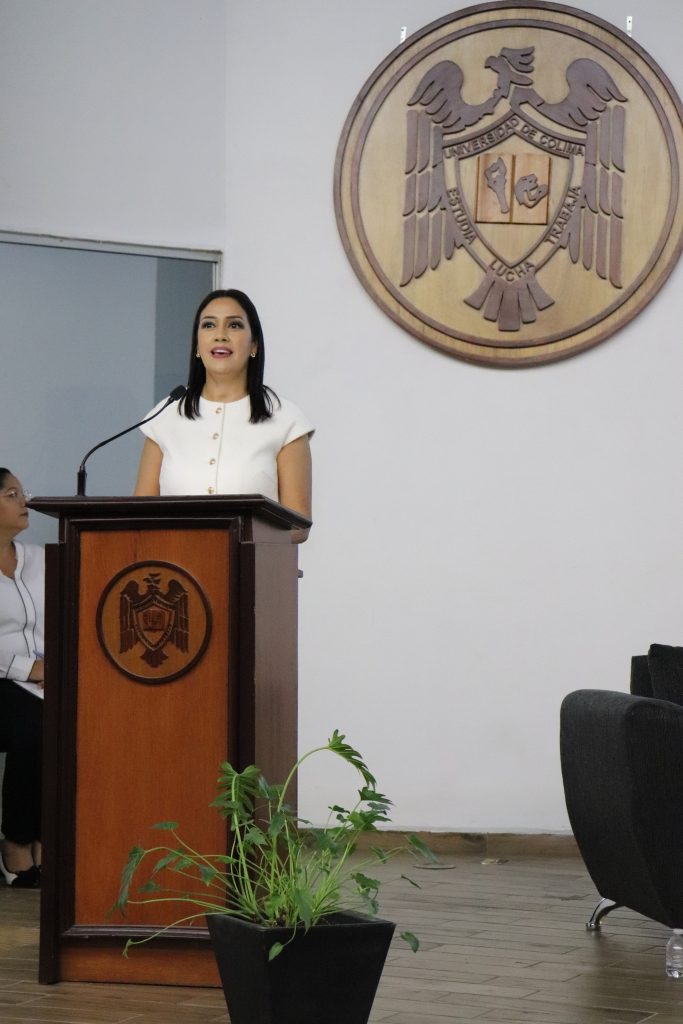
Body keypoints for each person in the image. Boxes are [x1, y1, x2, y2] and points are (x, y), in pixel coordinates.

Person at [134, 289, 313, 539]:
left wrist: (236, 542)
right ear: (197, 345)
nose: (220, 335)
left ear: (254, 345)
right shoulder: (164, 417)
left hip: (252, 563)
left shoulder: (286, 421)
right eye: (209, 325)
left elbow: (298, 526)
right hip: (173, 561)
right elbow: (138, 521)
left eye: (234, 325)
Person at [0, 469, 43, 888]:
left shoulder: (42, 559)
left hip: (45, 681)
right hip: (4, 680)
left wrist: (60, 666)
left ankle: (50, 837)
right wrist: (27, 669)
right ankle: (16, 841)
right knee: (34, 725)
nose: (24, 501)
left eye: (22, 492)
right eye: (12, 494)